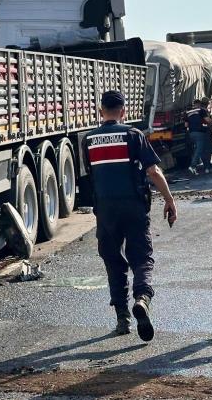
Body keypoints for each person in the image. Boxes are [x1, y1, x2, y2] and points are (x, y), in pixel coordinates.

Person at [83, 90, 178, 341]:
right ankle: (142, 298)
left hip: (105, 211)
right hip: (134, 207)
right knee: (142, 258)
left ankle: (122, 318)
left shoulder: (89, 140)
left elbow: (91, 177)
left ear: (101, 111)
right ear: (123, 112)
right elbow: (153, 171)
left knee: (113, 261)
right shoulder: (133, 135)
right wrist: (169, 200)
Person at [186, 98, 212, 175]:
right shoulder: (201, 110)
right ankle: (194, 165)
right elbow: (208, 120)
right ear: (199, 104)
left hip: (191, 133)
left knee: (199, 149)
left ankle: (206, 167)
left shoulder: (188, 112)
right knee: (202, 149)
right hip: (201, 133)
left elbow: (186, 125)